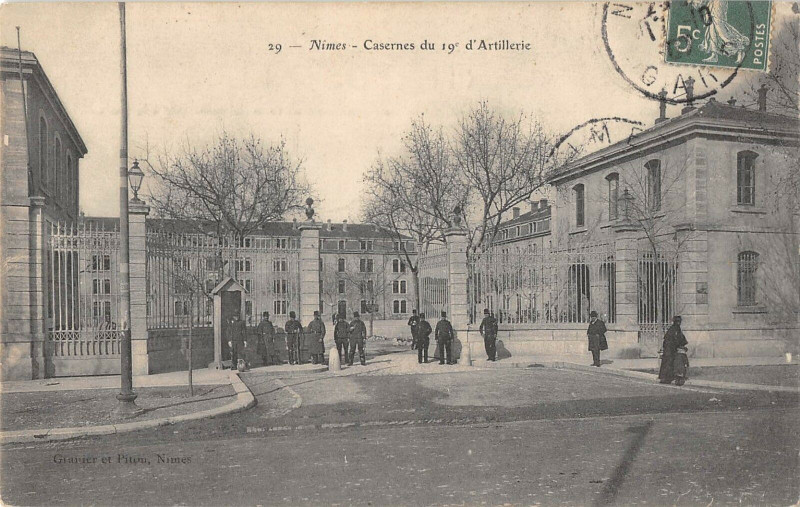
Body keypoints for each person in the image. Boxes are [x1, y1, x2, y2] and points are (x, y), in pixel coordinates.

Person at [659, 316, 688, 384]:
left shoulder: (672, 329)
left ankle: (666, 378)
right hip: (671, 350)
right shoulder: (676, 330)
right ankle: (668, 378)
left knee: (668, 363)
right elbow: (678, 340)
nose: (679, 323)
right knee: (670, 363)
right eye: (678, 321)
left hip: (669, 349)